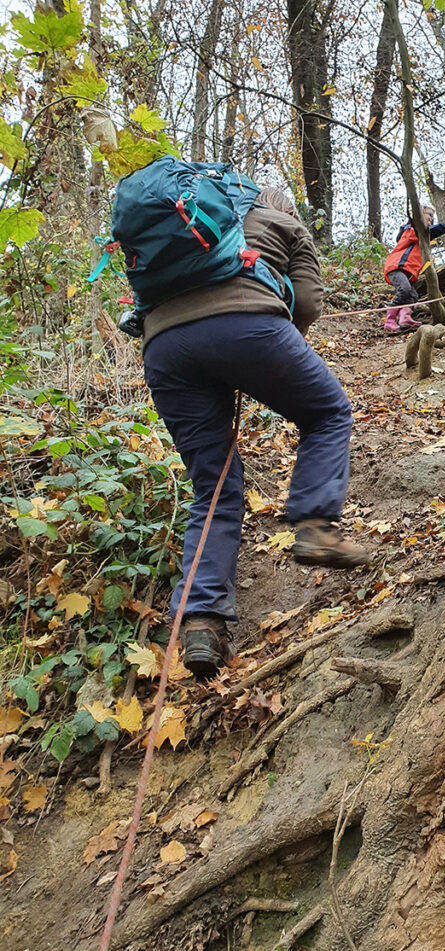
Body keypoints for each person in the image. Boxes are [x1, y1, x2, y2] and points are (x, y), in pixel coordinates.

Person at [141, 186, 368, 677]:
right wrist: (269, 350)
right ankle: (314, 528)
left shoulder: (194, 223)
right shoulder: (285, 224)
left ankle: (201, 623)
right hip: (249, 328)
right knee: (328, 413)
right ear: (283, 208)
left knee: (214, 483)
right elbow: (306, 304)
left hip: (163, 347)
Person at [383, 205, 445, 332]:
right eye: (429, 214)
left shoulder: (422, 237)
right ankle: (390, 320)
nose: (431, 218)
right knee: (404, 289)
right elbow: (429, 230)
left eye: (433, 216)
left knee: (412, 295)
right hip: (397, 267)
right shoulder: (410, 230)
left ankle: (404, 318)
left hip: (409, 271)